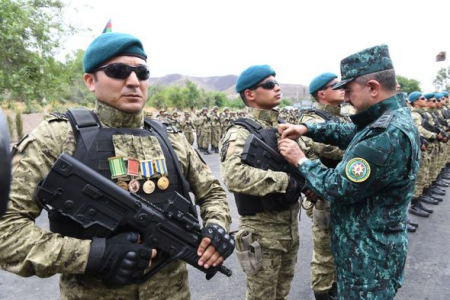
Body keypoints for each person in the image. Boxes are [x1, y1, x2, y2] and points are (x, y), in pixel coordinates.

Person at [0, 32, 234, 300]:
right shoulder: (55, 137)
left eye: (142, 72)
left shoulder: (171, 137)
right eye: (118, 71)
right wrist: (95, 255)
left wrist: (216, 226)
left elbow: (213, 192)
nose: (133, 81)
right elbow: (6, 232)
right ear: (90, 81)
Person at [278, 45, 421, 299]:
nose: (345, 97)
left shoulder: (386, 133)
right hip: (370, 253)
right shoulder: (387, 120)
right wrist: (307, 129)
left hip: (368, 264)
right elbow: (350, 134)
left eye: (348, 90)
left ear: (373, 87)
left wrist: (301, 161)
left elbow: (338, 187)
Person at [220, 65, 304, 300]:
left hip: (289, 231)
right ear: (250, 94)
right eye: (268, 84)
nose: (276, 87)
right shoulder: (240, 132)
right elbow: (233, 176)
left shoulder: (283, 128)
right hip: (262, 235)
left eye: (276, 83)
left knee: (282, 292)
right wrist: (284, 181)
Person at [300, 72, 347, 300]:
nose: (342, 87)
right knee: (325, 250)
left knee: (342, 245)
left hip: (343, 190)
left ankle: (335, 287)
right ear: (322, 93)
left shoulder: (342, 118)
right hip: (323, 193)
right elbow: (330, 148)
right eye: (336, 85)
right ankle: (322, 292)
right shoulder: (311, 120)